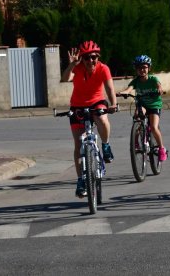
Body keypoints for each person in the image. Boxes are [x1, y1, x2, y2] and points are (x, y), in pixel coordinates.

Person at [61, 40, 118, 198]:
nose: (90, 60)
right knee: (78, 144)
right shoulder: (77, 68)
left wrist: (113, 104)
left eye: (93, 57)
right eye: (86, 58)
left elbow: (109, 88)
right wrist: (72, 65)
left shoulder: (103, 68)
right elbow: (65, 79)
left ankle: (105, 146)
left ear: (98, 57)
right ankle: (81, 180)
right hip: (77, 106)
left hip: (97, 102)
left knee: (102, 119)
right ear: (82, 59)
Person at [117, 55, 168, 162]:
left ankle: (161, 149)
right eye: (139, 68)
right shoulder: (136, 81)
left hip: (154, 105)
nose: (142, 70)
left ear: (149, 68)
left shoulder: (153, 79)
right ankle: (135, 142)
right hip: (142, 105)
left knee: (154, 127)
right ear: (136, 69)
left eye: (144, 67)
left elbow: (158, 86)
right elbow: (129, 89)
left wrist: (159, 90)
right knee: (137, 117)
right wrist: (123, 93)